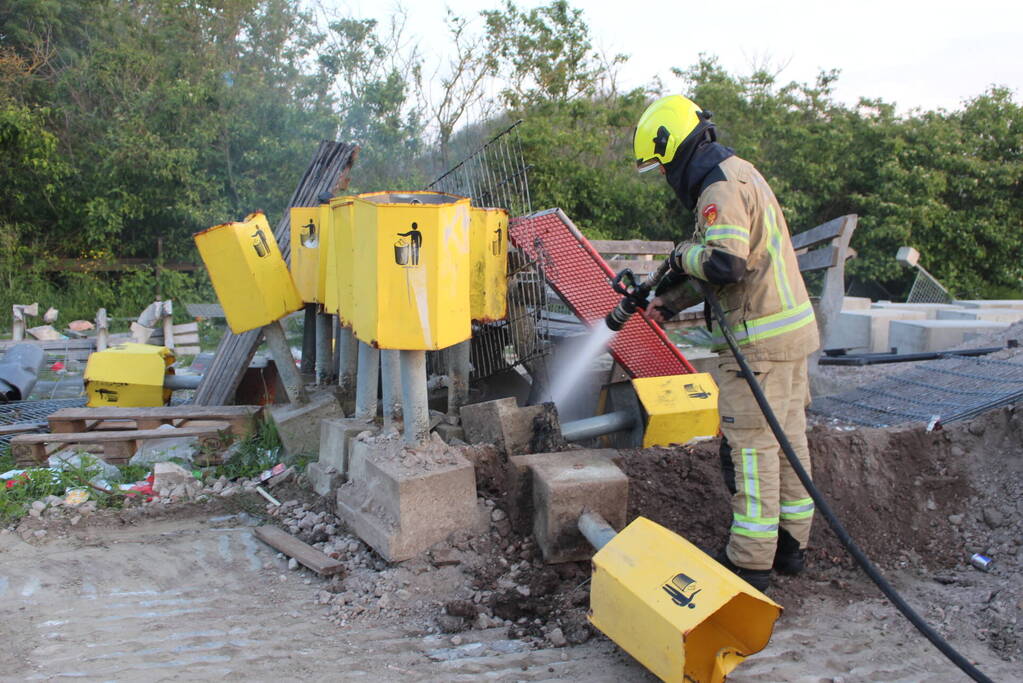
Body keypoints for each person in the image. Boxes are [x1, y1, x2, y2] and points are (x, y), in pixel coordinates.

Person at [635, 94, 819, 591]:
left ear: (673, 149)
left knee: (751, 451)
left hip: (758, 345)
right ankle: (790, 546)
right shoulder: (740, 172)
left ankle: (749, 559)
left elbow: (724, 263)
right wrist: (669, 303)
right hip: (787, 334)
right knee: (787, 444)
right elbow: (735, 262)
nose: (662, 176)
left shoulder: (717, 188)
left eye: (659, 165)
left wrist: (680, 255)